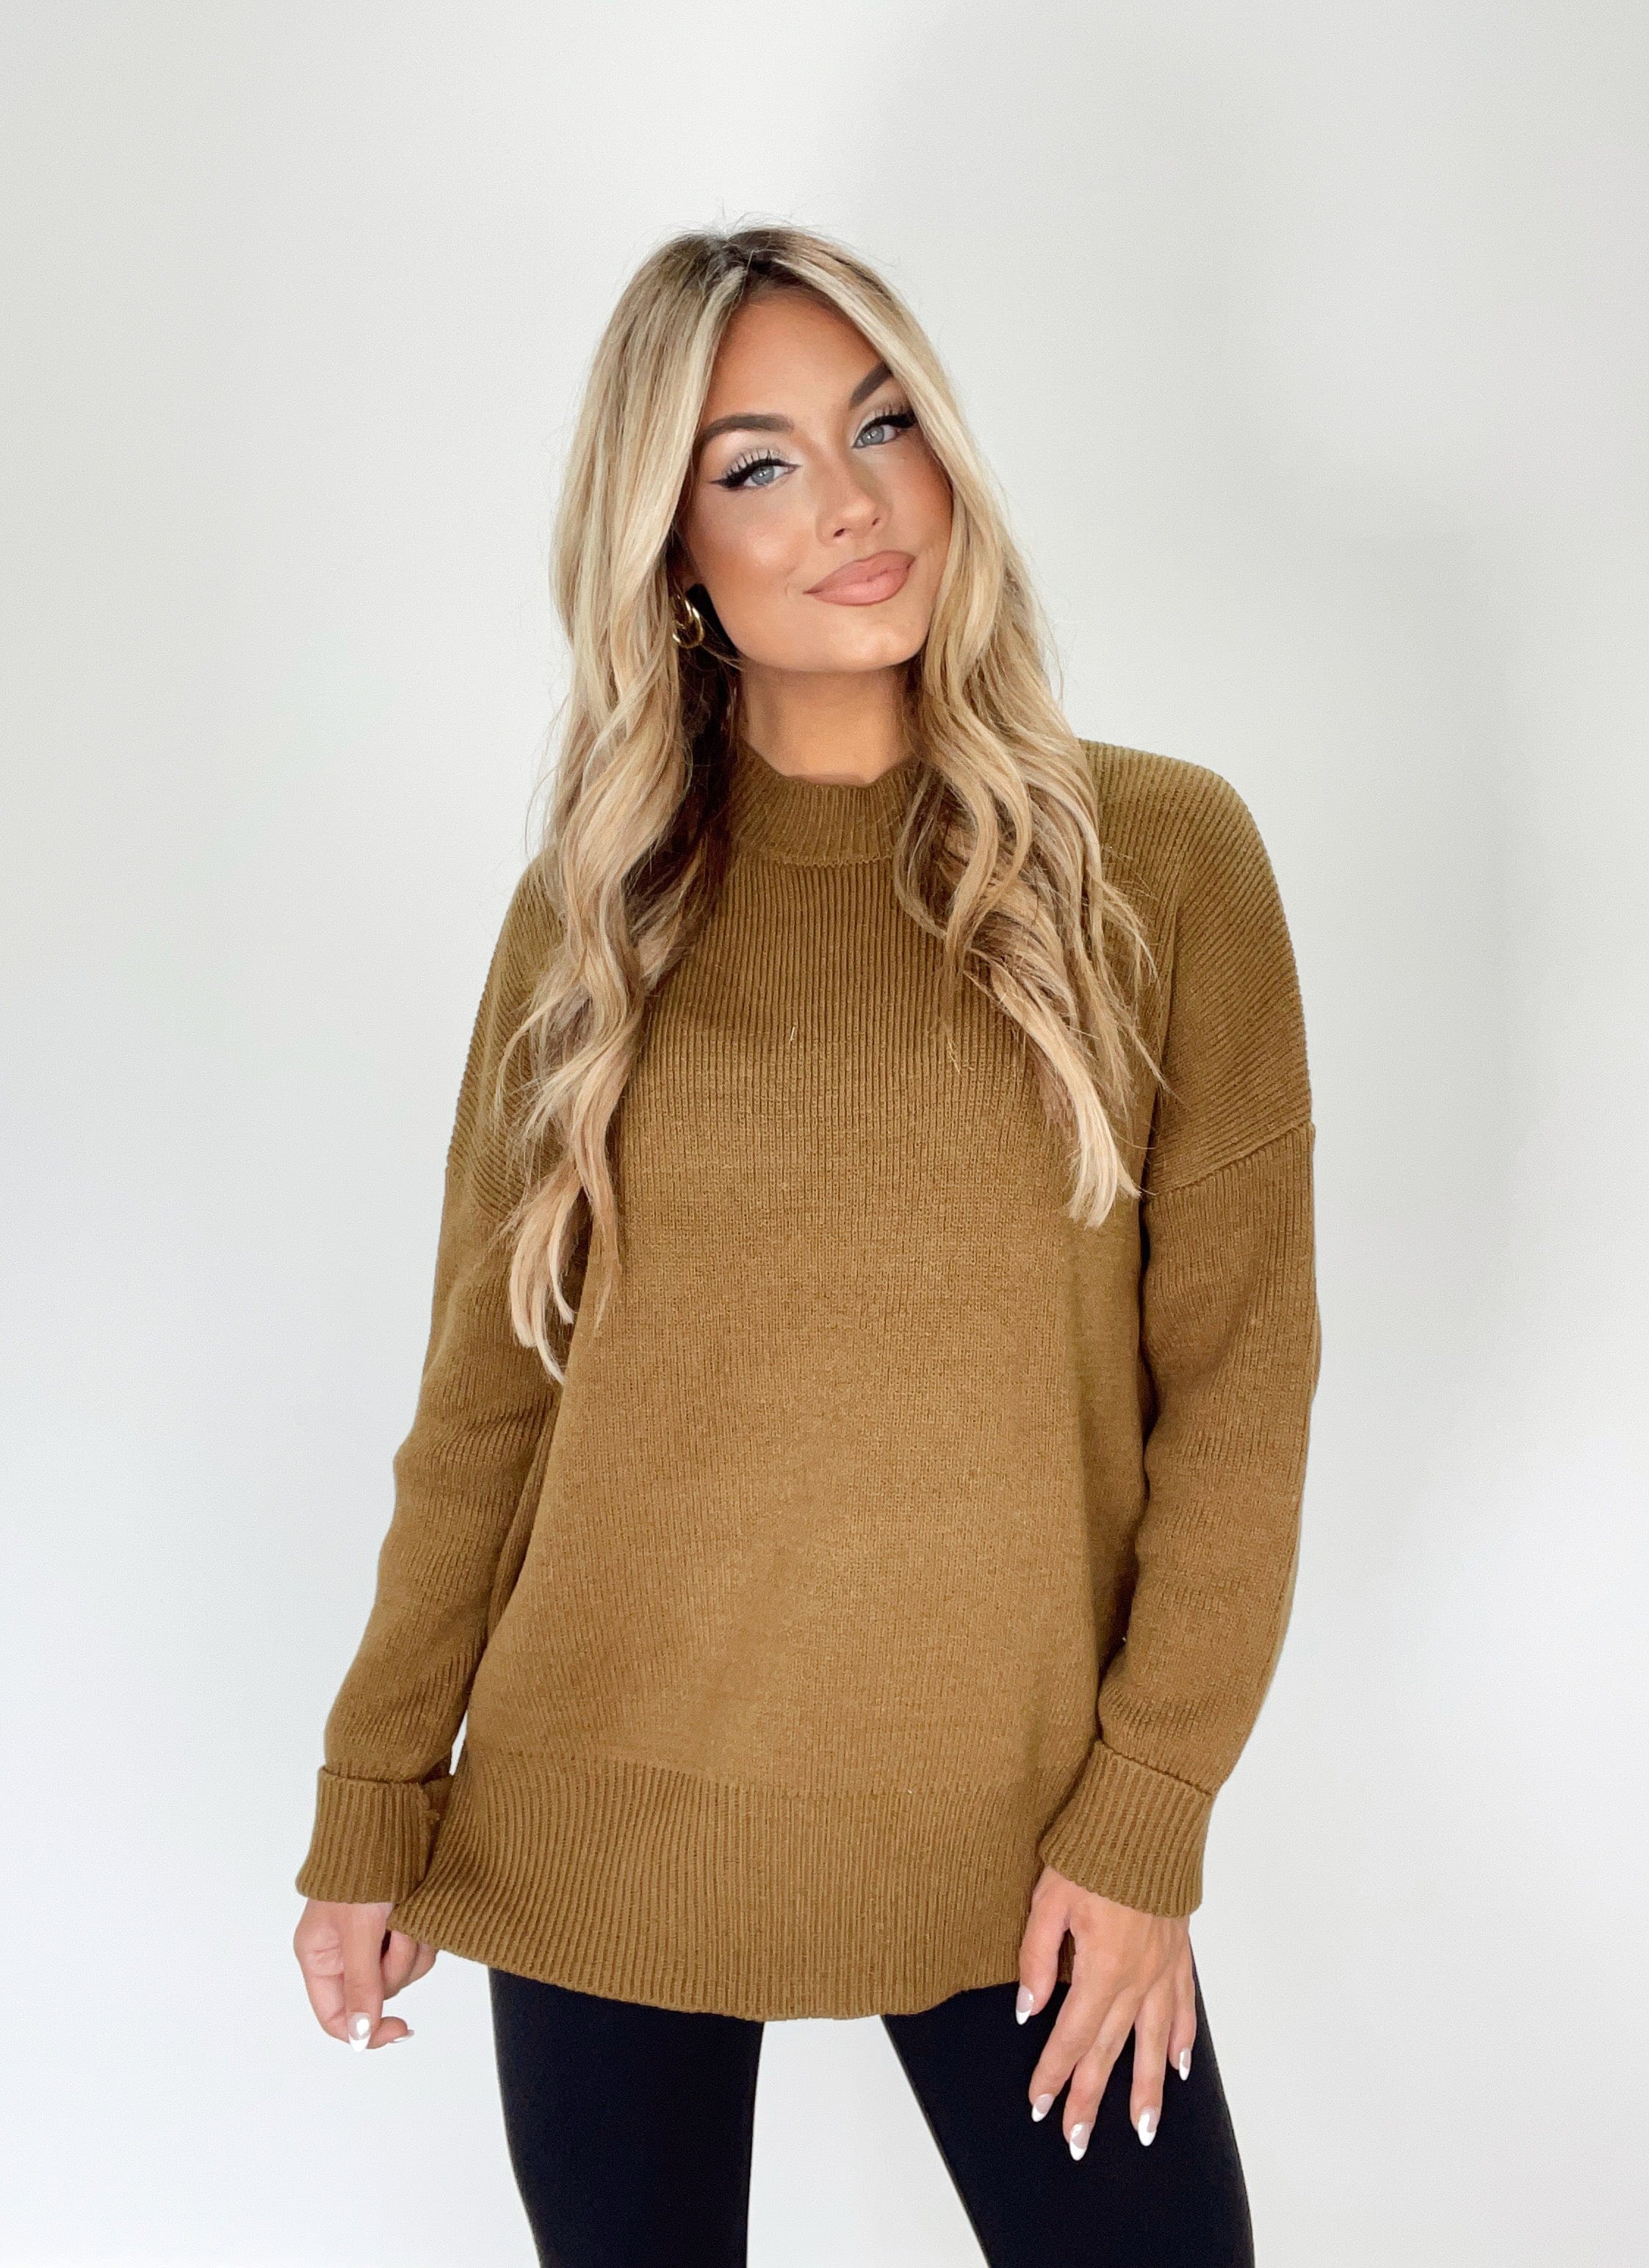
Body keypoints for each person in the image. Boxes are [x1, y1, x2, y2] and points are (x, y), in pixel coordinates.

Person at [291, 224, 1322, 2268]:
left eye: (884, 426)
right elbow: (489, 1401)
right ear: (673, 553)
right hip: (604, 1805)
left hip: (1020, 1824)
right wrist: (374, 1793)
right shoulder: (594, 914)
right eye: (755, 464)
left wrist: (1146, 1821)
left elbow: (1238, 1388)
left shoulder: (1161, 861)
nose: (850, 502)